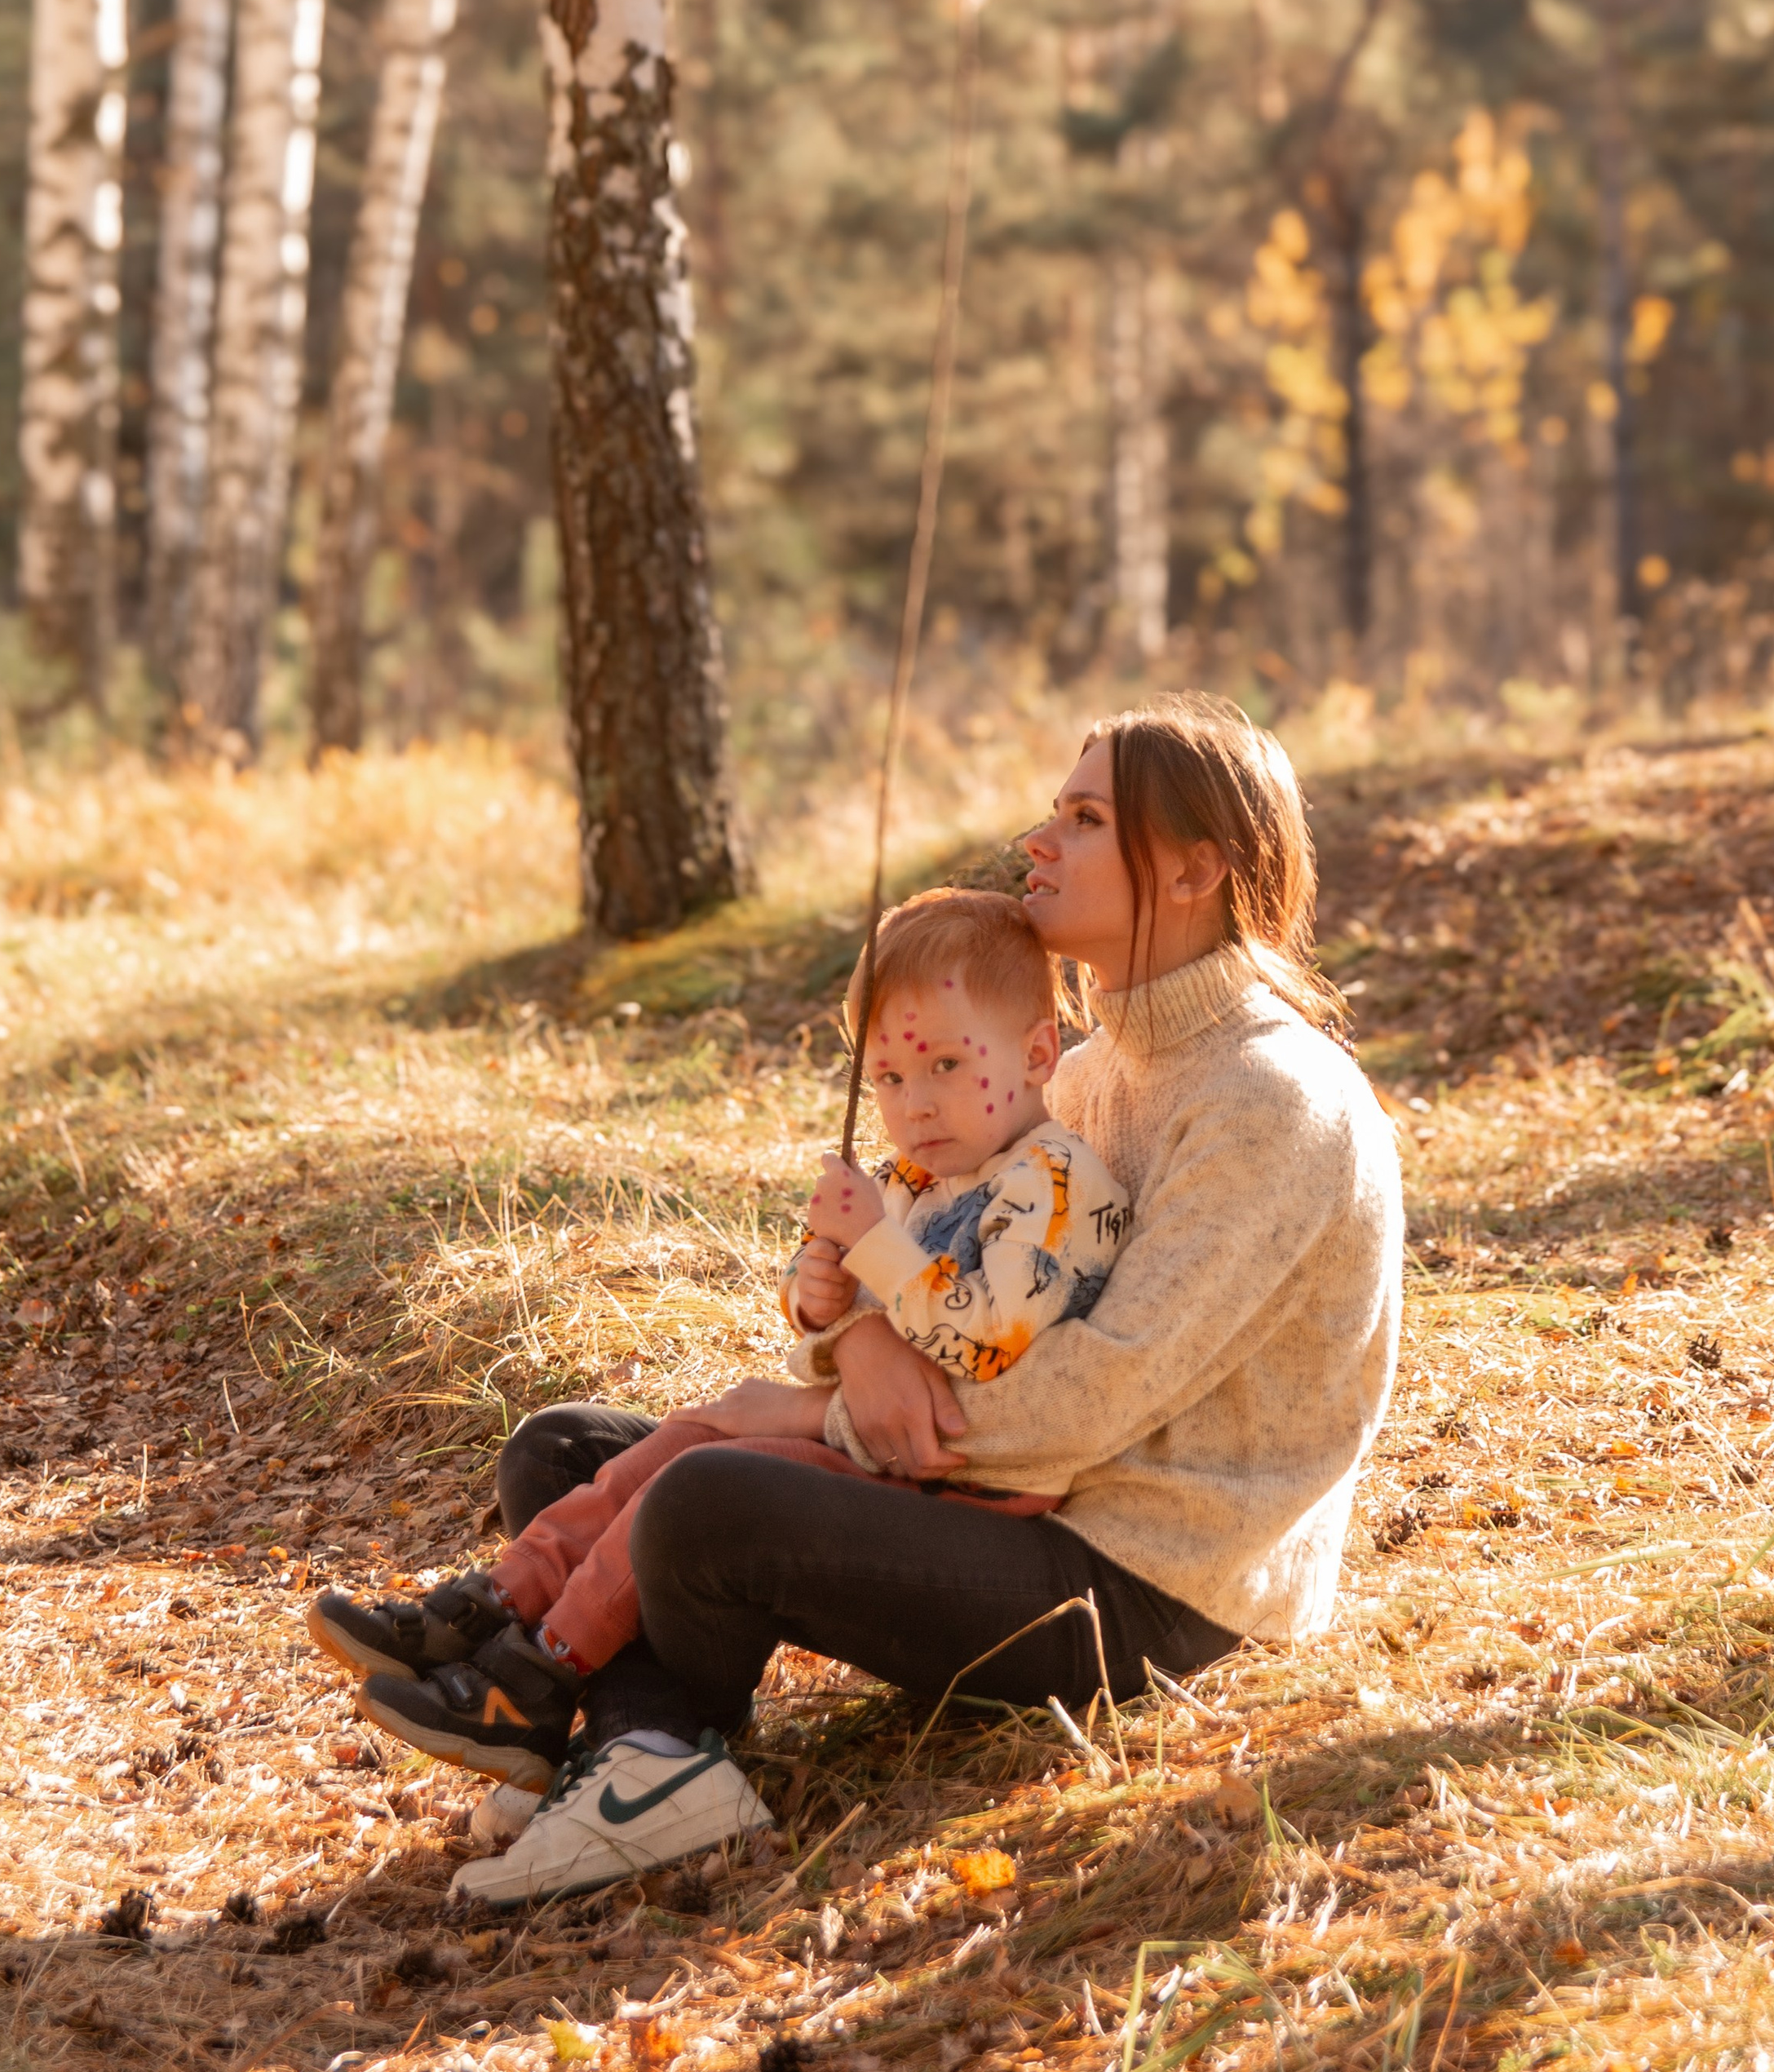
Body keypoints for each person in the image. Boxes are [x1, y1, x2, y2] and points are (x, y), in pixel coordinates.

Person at [391, 692, 1404, 1911]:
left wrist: (834, 1413)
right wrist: (853, 1334)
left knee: (709, 1497)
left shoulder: (1273, 1100)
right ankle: (649, 1749)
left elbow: (1093, 1401)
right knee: (565, 1455)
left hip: (1141, 1582)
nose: (1040, 842)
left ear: (1195, 869)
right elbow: (948, 1294)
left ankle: (637, 1747)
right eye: (1055, 811)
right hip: (1001, 1495)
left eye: (1085, 819)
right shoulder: (1084, 1075)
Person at [303, 890, 1130, 1799]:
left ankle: (536, 1677)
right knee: (690, 1433)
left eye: (942, 1064)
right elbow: (834, 1310)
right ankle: (498, 1598)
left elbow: (985, 1338)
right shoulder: (914, 1181)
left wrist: (874, 1257)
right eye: (889, 1078)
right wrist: (820, 1301)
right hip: (876, 1446)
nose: (915, 1103)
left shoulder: (1053, 1183)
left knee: (691, 1481)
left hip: (966, 1487)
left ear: (1037, 1052)